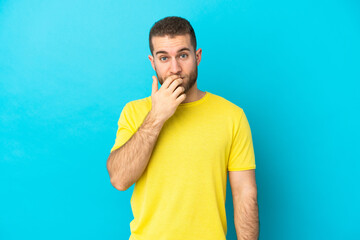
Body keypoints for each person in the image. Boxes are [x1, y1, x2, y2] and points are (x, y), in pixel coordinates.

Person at [106, 16, 259, 240]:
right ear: (153, 62)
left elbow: (245, 194)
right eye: (164, 58)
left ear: (197, 57)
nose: (175, 68)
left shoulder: (232, 116)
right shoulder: (134, 112)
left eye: (183, 55)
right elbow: (119, 179)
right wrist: (156, 116)